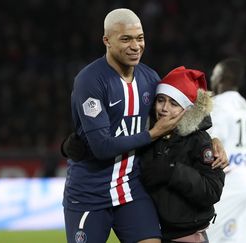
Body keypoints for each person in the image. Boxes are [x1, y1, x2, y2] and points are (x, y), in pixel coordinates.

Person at [62, 8, 185, 243]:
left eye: (140, 38)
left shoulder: (150, 79)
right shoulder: (90, 81)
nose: (136, 46)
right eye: (126, 39)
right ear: (107, 41)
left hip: (131, 190)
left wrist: (213, 140)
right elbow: (102, 147)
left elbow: (181, 114)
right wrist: (153, 133)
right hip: (90, 192)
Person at [139, 66, 225, 243]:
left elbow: (212, 190)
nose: (164, 108)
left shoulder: (200, 141)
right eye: (161, 100)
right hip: (151, 235)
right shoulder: (146, 135)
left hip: (187, 236)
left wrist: (173, 172)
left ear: (187, 109)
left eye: (173, 103)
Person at [206, 58, 246, 243]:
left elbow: (212, 142)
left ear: (220, 78)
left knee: (206, 235)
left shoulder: (217, 105)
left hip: (226, 183)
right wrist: (244, 166)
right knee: (242, 237)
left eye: (213, 75)